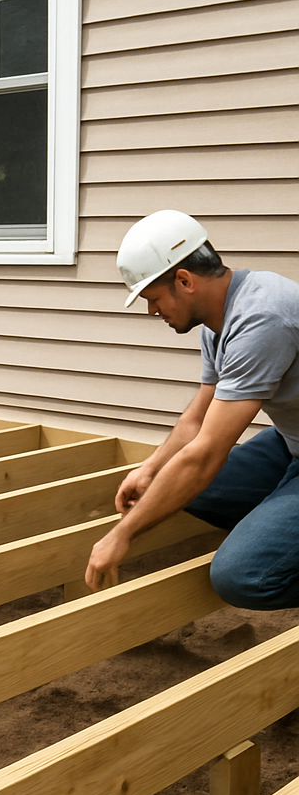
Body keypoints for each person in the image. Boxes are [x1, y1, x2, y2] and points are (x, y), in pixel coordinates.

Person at [85, 210, 299, 605]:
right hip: (291, 440)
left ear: (184, 280)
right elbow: (195, 420)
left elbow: (204, 455)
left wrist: (122, 534)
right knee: (172, 486)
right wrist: (150, 468)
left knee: (242, 576)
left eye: (153, 299)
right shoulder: (219, 322)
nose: (152, 312)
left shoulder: (262, 318)